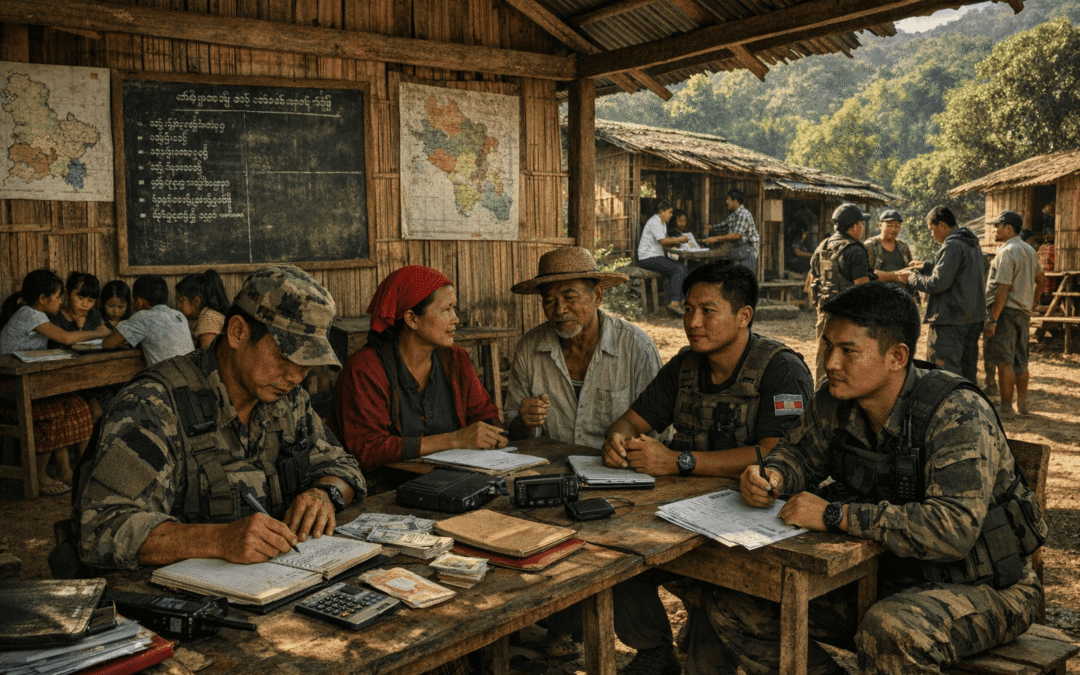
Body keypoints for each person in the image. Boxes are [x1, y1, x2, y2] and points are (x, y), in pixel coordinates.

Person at [685, 282, 1045, 675]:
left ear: (896, 356)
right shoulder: (835, 399)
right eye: (829, 346)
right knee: (734, 602)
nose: (830, 363)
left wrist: (835, 514)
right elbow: (798, 453)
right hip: (886, 579)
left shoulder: (956, 412)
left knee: (892, 632)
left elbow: (952, 530)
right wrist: (770, 474)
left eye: (848, 351)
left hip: (986, 588)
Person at [69, 264, 365, 573]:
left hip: (276, 582)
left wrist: (324, 494)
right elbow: (102, 528)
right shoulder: (154, 406)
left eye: (308, 362)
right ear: (237, 332)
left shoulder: (287, 399)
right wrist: (219, 540)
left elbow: (342, 466)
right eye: (285, 357)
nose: (296, 376)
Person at [600, 260, 813, 675]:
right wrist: (618, 440)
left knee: (713, 631)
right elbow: (631, 421)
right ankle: (653, 650)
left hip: (756, 523)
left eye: (707, 311)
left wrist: (679, 462)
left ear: (743, 316)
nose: (692, 322)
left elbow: (775, 453)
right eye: (687, 310)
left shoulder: (781, 368)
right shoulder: (685, 365)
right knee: (612, 553)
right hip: (687, 513)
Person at [327, 266, 505, 477]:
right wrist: (455, 440)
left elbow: (484, 414)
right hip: (381, 491)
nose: (455, 318)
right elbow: (368, 450)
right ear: (411, 319)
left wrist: (493, 433)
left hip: (452, 482)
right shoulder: (365, 369)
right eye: (446, 309)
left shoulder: (457, 360)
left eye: (454, 308)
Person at [506, 246, 662, 447]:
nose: (560, 310)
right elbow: (513, 430)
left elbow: (659, 431)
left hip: (618, 471)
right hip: (552, 470)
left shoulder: (637, 348)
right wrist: (525, 421)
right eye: (549, 301)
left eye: (570, 298)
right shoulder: (529, 349)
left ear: (597, 296)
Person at [0, 269, 111, 496]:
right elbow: (66, 338)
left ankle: (71, 471)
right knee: (53, 413)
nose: (61, 301)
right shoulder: (31, 314)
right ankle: (39, 476)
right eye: (59, 296)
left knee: (78, 407)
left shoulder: (35, 314)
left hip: (26, 389)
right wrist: (99, 333)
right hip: (9, 394)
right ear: (42, 299)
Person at [896, 205, 985, 382]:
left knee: (944, 374)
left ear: (942, 225)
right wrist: (926, 266)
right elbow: (956, 272)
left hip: (951, 320)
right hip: (972, 319)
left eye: (932, 229)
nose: (931, 234)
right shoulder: (971, 244)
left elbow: (938, 283)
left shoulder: (952, 245)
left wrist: (912, 278)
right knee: (967, 372)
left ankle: (947, 408)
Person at [984, 210, 1046, 419]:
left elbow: (1003, 288)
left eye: (997, 226)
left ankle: (1006, 407)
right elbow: (1042, 280)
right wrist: (1033, 302)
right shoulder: (1029, 250)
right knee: (1021, 360)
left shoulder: (1006, 252)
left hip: (1006, 312)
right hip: (1023, 313)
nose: (995, 230)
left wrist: (993, 319)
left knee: (1005, 361)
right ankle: (1023, 403)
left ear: (1008, 228)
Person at [807, 203, 874, 383]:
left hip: (826, 314)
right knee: (851, 359)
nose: (862, 227)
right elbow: (863, 288)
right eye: (861, 223)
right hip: (850, 317)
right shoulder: (855, 250)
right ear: (854, 227)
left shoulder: (822, 246)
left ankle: (821, 399)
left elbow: (813, 277)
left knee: (825, 357)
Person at [102, 275, 195, 364]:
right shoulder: (179, 315)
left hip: (167, 378)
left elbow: (107, 344)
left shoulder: (143, 317)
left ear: (139, 301)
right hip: (190, 375)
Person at [637, 199, 689, 316]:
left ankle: (681, 302)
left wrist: (675, 243)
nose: (671, 215)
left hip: (656, 256)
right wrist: (678, 239)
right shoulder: (654, 221)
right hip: (647, 257)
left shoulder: (663, 223)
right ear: (662, 211)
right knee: (676, 270)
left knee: (683, 268)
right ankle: (674, 303)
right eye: (669, 212)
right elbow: (663, 241)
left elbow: (665, 239)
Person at [702, 188, 759, 273]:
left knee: (743, 278)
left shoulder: (743, 214)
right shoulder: (733, 216)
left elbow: (736, 235)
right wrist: (711, 227)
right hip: (739, 251)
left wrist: (716, 239)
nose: (726, 202)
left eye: (728, 199)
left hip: (747, 252)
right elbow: (723, 225)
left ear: (734, 201)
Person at [864, 209, 915, 296]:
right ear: (880, 225)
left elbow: (910, 272)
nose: (893, 229)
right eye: (889, 225)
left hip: (900, 298)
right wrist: (896, 275)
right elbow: (867, 274)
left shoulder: (903, 247)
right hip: (877, 297)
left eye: (897, 226)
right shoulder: (870, 246)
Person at [176, 269, 230, 348]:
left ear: (196, 301)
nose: (178, 306)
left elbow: (208, 358)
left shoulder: (208, 319)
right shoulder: (210, 316)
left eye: (181, 300)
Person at [49, 272, 105, 338]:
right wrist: (80, 329)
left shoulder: (94, 315)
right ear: (67, 295)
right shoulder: (56, 320)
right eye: (80, 298)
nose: (85, 304)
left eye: (90, 300)